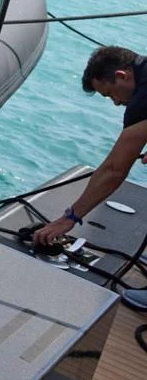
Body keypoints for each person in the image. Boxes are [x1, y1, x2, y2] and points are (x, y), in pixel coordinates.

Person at [32, 47, 147, 283]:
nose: (116, 103)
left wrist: (69, 219)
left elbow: (114, 171)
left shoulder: (142, 102)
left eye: (110, 94)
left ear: (123, 76)